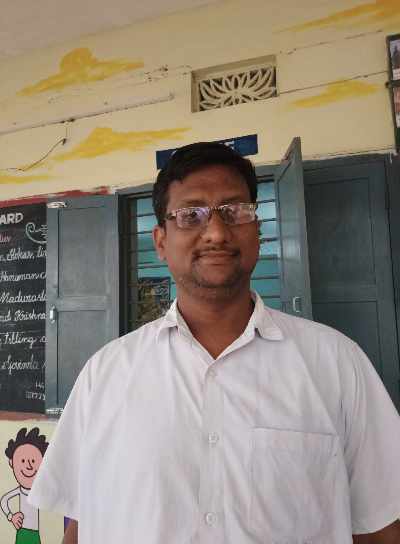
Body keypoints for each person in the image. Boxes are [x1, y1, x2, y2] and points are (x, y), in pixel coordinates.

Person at [29, 142, 400, 543]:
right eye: (191, 215)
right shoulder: (105, 374)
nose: (217, 232)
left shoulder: (336, 363)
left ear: (258, 231)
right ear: (160, 242)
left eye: (234, 211)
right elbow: (81, 522)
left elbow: (379, 525)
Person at [1, 427, 48, 544]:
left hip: (35, 533)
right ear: (11, 463)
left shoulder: (39, 490)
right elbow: (4, 500)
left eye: (33, 461)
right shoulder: (20, 491)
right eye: (22, 461)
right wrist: (11, 517)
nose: (29, 466)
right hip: (23, 531)